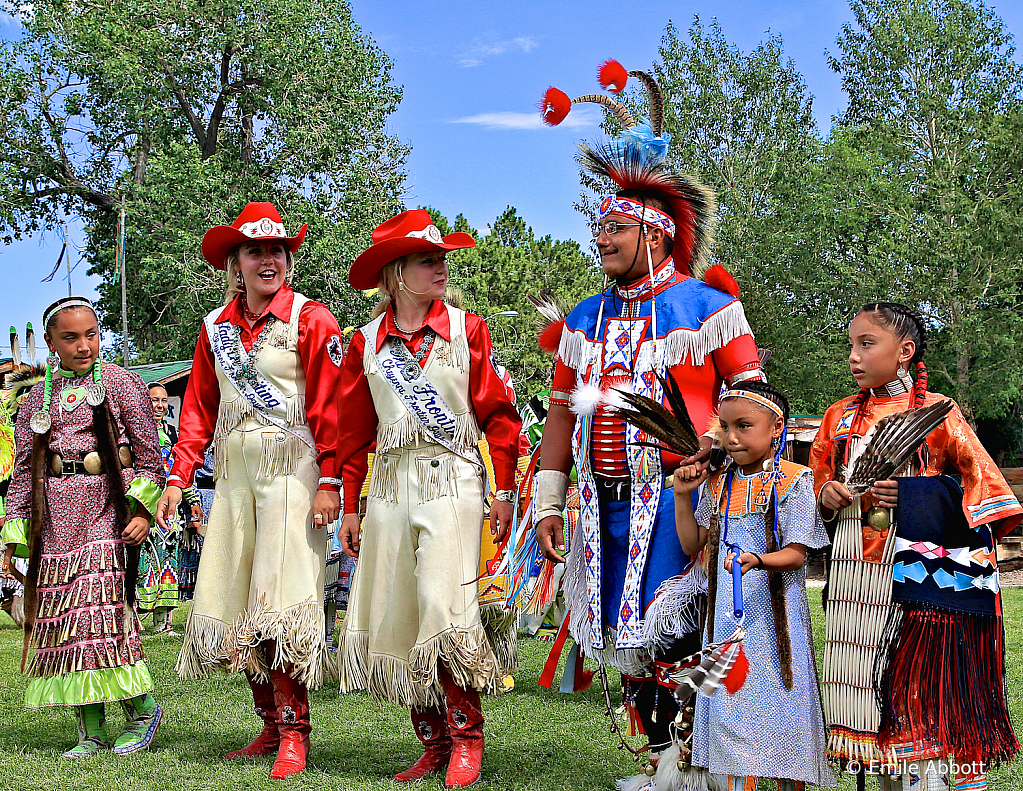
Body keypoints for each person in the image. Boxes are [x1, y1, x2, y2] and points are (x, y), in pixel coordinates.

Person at [533, 60, 763, 782]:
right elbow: (559, 421)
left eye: (613, 228)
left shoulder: (705, 307)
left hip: (678, 497)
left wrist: (716, 458)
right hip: (602, 500)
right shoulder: (583, 318)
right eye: (597, 227)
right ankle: (662, 758)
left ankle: (696, 762)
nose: (599, 239)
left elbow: (758, 402)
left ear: (657, 235)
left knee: (678, 633)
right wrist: (545, 499)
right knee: (622, 641)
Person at [155, 202, 344, 779]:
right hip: (235, 476)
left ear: (289, 258)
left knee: (281, 601)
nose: (269, 259)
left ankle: (294, 732)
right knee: (238, 598)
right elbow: (199, 409)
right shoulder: (214, 328)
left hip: (292, 473)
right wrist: (180, 473)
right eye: (256, 250)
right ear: (235, 262)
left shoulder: (313, 320)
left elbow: (331, 406)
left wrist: (331, 479)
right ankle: (268, 724)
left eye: (278, 250)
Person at [335, 209, 521, 789]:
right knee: (400, 612)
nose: (441, 267)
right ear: (395, 272)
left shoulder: (469, 329)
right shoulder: (364, 343)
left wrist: (507, 488)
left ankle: (467, 737)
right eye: (427, 259)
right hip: (389, 486)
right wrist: (348, 504)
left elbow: (497, 413)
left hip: (453, 482)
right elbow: (352, 430)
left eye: (442, 258)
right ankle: (432, 740)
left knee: (446, 607)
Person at [809, 302, 1021, 791]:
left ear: (904, 352)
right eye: (851, 347)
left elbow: (985, 489)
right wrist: (826, 494)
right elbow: (815, 485)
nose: (854, 358)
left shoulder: (938, 412)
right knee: (864, 691)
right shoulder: (837, 417)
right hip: (852, 575)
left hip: (919, 576)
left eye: (867, 345)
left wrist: (915, 494)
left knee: (918, 688)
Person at [0, 296, 165, 757]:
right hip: (55, 519)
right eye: (70, 338)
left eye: (91, 334)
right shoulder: (37, 396)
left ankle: (142, 709)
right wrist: (15, 535)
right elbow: (22, 471)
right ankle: (90, 730)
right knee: (66, 622)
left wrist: (142, 512)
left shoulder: (120, 382)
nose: (84, 345)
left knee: (100, 614)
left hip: (105, 513)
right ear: (51, 343)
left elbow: (152, 460)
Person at [674, 380, 834, 791]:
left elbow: (797, 554)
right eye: (724, 427)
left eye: (744, 426)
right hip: (726, 619)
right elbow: (694, 544)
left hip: (776, 624)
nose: (730, 438)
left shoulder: (795, 480)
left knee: (780, 705)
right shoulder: (718, 484)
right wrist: (680, 496)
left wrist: (758, 560)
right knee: (729, 708)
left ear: (776, 426)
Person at [138, 382, 201, 635]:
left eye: (164, 401)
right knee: (142, 561)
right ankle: (131, 620)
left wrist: (193, 500)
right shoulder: (136, 432)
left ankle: (162, 624)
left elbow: (182, 471)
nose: (160, 406)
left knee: (168, 562)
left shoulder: (173, 434)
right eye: (154, 400)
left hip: (171, 508)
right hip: (143, 505)